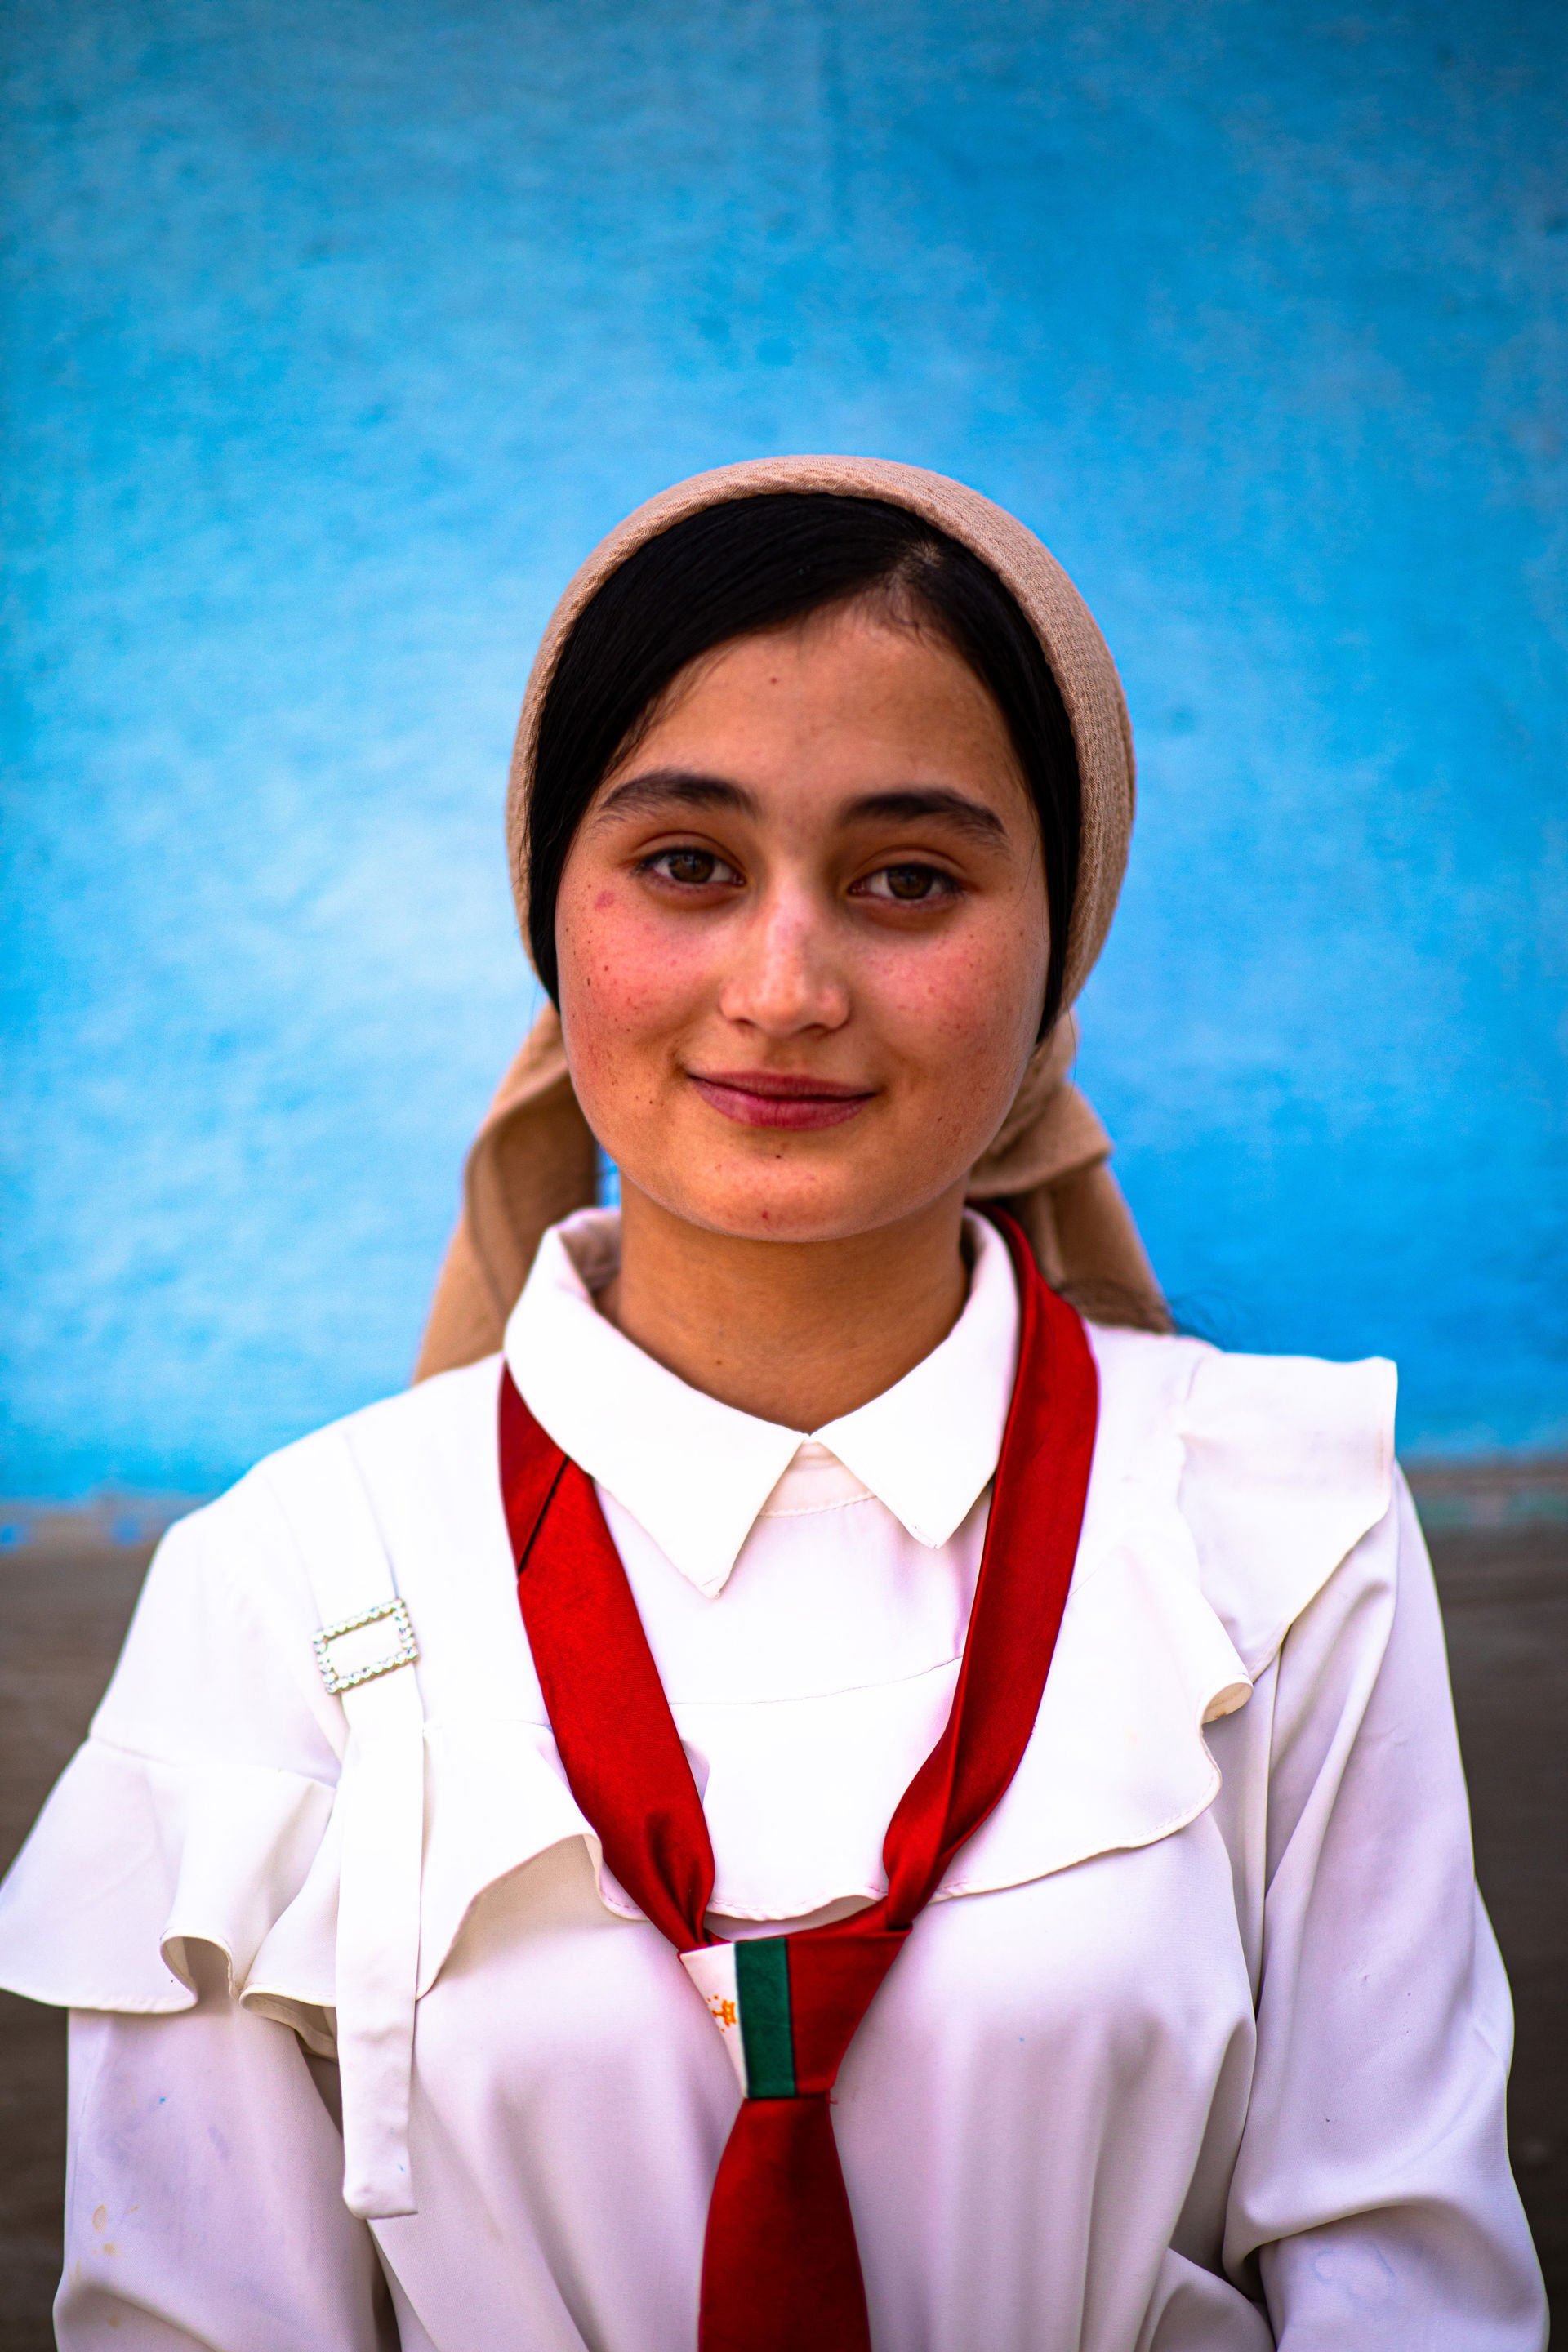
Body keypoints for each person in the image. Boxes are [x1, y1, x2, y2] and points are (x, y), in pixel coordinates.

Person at [0, 457, 1546, 2351]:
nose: (788, 981)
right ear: (550, 933)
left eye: (912, 878)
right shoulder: (288, 1585)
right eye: (687, 867)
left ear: (1059, 967)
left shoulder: (1281, 1528)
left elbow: (1412, 2287)